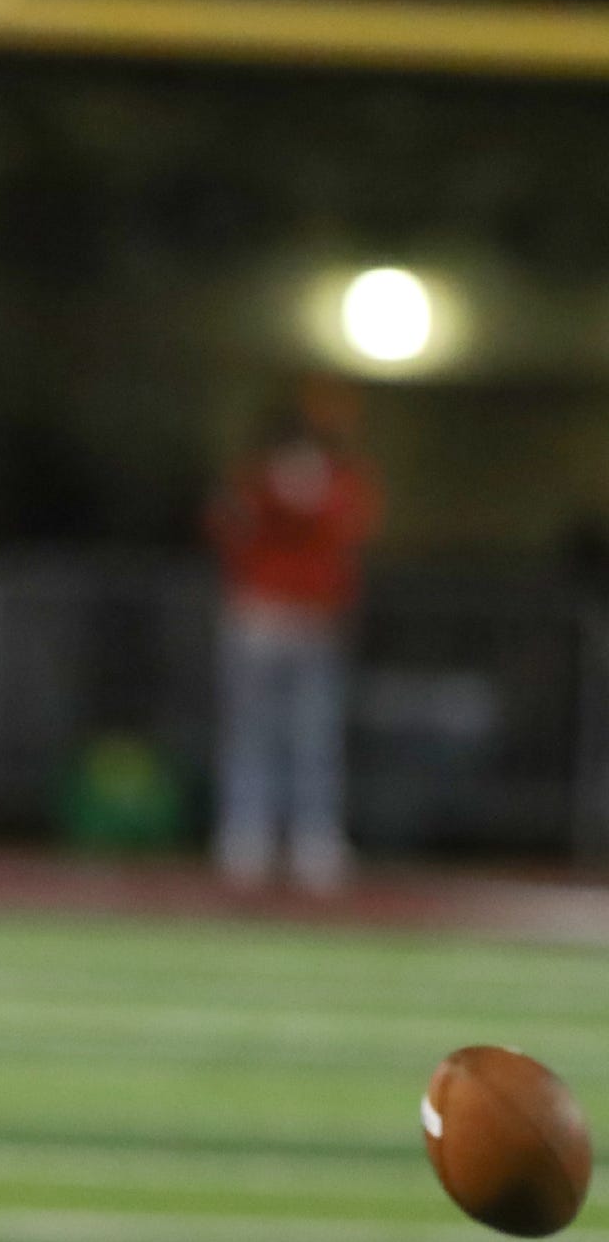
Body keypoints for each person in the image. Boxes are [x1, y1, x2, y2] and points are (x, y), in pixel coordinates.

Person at [207, 381, 379, 893]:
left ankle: (314, 839)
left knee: (314, 734)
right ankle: (245, 836)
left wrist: (308, 499)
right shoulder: (251, 480)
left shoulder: (343, 483)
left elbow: (352, 533)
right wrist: (270, 495)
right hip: (259, 620)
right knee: (251, 732)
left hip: (315, 622)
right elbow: (225, 530)